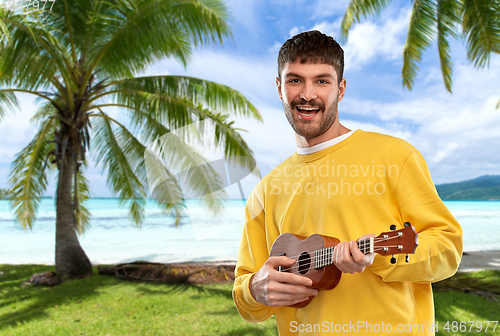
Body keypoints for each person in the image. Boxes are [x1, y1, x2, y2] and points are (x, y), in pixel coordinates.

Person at [232, 30, 463, 335]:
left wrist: (380, 259)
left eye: (322, 81)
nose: (307, 94)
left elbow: (447, 249)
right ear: (279, 88)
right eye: (295, 80)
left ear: (340, 89)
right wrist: (255, 289)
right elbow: (246, 289)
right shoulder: (266, 190)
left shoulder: (395, 156)